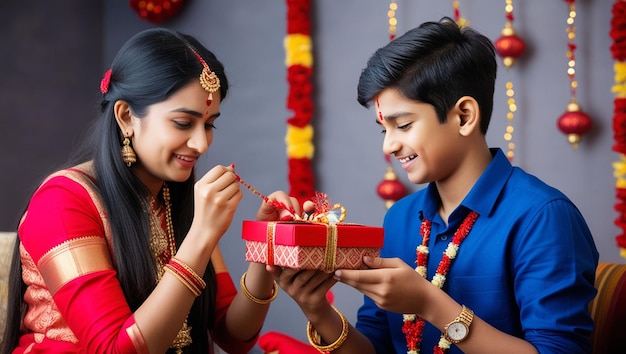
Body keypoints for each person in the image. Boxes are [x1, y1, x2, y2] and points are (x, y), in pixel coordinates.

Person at [268, 17, 599, 354]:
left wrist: (430, 303)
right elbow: (377, 348)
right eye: (385, 131)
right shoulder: (401, 218)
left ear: (464, 116)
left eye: (404, 125)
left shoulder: (542, 218)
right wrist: (317, 309)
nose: (389, 146)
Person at [0, 27, 299, 354]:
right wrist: (200, 235)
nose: (201, 143)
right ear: (127, 116)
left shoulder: (175, 198)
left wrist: (264, 248)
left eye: (209, 124)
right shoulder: (61, 203)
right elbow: (115, 350)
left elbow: (233, 336)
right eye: (184, 123)